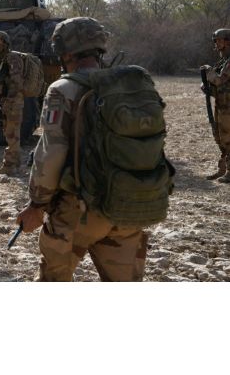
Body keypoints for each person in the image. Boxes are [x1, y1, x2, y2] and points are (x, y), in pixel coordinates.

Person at [15, 17, 171, 282]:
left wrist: (36, 204)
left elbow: (50, 154)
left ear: (65, 52)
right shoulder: (130, 86)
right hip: (127, 206)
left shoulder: (62, 89)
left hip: (78, 212)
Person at [0, 31, 24, 176]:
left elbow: (17, 81)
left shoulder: (12, 58)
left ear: (5, 43)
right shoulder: (2, 59)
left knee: (12, 133)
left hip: (13, 100)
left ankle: (10, 165)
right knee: (9, 132)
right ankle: (13, 164)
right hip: (7, 100)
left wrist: (9, 98)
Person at [202, 28, 230, 182]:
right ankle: (223, 168)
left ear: (227, 41)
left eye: (219, 40)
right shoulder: (223, 61)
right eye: (215, 41)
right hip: (222, 105)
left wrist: (209, 72)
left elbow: (219, 80)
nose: (216, 44)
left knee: (228, 137)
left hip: (228, 107)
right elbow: (218, 86)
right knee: (220, 137)